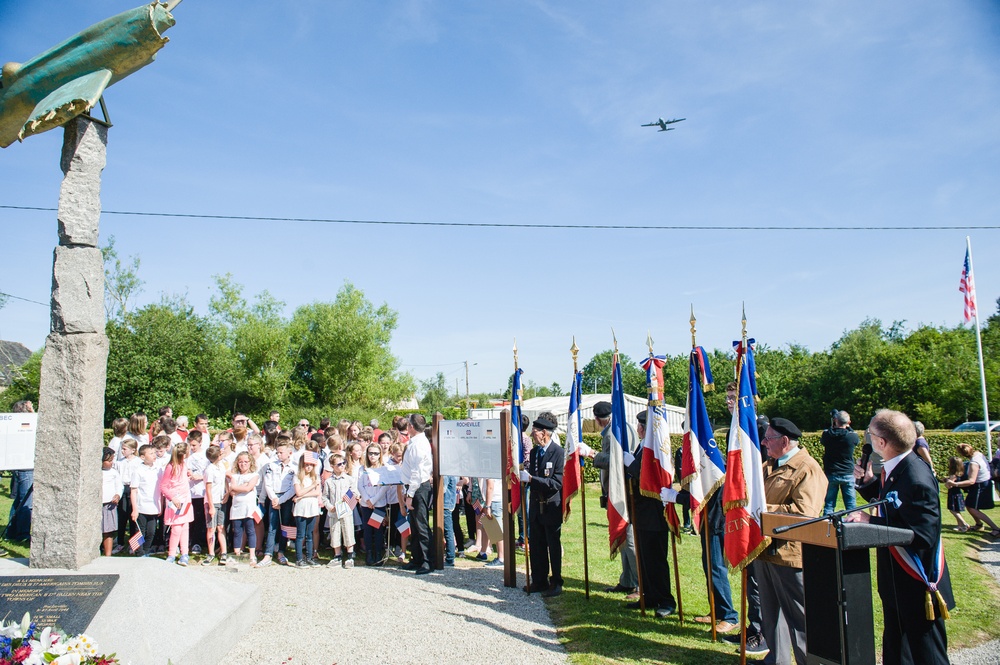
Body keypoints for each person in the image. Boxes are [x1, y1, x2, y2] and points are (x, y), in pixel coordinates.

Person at [849, 409, 954, 665]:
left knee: (927, 655)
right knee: (897, 652)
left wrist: (870, 520)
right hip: (896, 581)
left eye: (871, 435)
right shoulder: (898, 467)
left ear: (881, 442)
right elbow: (896, 507)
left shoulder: (915, 476)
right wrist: (869, 483)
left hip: (916, 584)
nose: (869, 439)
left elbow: (923, 535)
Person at [755, 418, 827, 665]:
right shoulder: (769, 465)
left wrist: (762, 510)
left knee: (799, 618)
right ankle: (777, 660)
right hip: (765, 549)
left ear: (785, 441)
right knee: (771, 613)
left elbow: (805, 514)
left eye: (768, 438)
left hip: (789, 553)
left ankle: (809, 661)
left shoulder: (807, 468)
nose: (763, 442)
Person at [625, 411, 676, 618]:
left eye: (640, 425)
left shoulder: (655, 447)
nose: (638, 428)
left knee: (656, 559)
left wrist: (631, 463)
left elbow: (648, 474)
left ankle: (666, 600)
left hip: (654, 513)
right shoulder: (642, 446)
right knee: (645, 558)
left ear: (644, 428)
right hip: (641, 512)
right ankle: (649, 595)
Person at [591, 400, 640, 596]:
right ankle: (627, 580)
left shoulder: (614, 432)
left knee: (628, 539)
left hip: (624, 491)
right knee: (622, 537)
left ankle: (638, 583)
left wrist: (593, 454)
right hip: (618, 490)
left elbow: (616, 459)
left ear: (598, 419)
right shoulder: (618, 428)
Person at [520, 414, 565, 597]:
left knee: (552, 546)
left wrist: (532, 479)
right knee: (537, 546)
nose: (533, 434)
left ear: (544, 433)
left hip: (550, 506)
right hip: (536, 506)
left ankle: (556, 582)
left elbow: (556, 482)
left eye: (536, 431)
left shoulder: (558, 453)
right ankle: (539, 579)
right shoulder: (534, 452)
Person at [400, 413, 433, 574]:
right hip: (413, 486)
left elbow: (417, 473)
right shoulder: (415, 442)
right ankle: (417, 558)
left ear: (411, 427)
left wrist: (410, 495)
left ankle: (428, 561)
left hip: (418, 487)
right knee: (414, 525)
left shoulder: (418, 444)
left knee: (421, 525)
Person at [947, 443, 999, 536]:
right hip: (984, 483)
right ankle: (979, 525)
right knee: (969, 505)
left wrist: (955, 484)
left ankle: (996, 528)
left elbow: (971, 481)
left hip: (981, 486)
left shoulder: (973, 463)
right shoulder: (978, 454)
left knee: (973, 508)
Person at [160, 441, 194, 566]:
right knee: (176, 528)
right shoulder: (170, 467)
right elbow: (163, 486)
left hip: (185, 499)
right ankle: (172, 553)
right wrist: (172, 498)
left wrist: (188, 475)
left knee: (185, 527)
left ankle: (185, 553)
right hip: (176, 501)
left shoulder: (184, 464)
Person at [820, 410, 859, 516]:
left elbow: (825, 436)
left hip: (831, 473)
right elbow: (854, 437)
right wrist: (847, 425)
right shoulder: (851, 437)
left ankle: (826, 525)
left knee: (829, 505)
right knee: (851, 506)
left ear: (835, 421)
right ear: (848, 422)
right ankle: (853, 527)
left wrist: (833, 423)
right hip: (847, 473)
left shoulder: (827, 435)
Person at [322, 452, 357, 568]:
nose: (342, 466)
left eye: (344, 463)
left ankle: (350, 556)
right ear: (332, 466)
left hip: (346, 511)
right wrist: (329, 506)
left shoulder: (349, 479)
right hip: (334, 511)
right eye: (339, 464)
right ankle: (337, 556)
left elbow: (355, 493)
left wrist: (350, 497)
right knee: (335, 532)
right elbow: (325, 496)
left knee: (348, 531)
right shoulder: (329, 481)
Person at [359, 443, 389, 566]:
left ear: (380, 455)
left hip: (378, 504)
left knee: (377, 529)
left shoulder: (383, 468)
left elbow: (385, 487)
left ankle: (378, 553)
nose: (373, 456)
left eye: (375, 453)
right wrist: (367, 499)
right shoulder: (362, 468)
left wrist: (374, 500)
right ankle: (369, 553)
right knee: (367, 529)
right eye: (370, 453)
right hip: (366, 504)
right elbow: (359, 485)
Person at [228, 451, 260, 566]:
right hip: (237, 507)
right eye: (240, 462)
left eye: (246, 462)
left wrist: (238, 488)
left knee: (250, 530)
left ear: (250, 462)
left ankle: (252, 555)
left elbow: (249, 488)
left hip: (249, 507)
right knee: (237, 531)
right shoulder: (235, 476)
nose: (243, 464)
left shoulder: (254, 475)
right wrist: (243, 486)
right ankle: (237, 553)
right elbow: (232, 489)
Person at [130, 443, 161, 557]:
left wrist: (160, 505)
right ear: (142, 457)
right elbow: (134, 490)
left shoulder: (158, 469)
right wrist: (135, 509)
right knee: (139, 532)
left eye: (154, 453)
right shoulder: (138, 470)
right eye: (151, 453)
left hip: (153, 506)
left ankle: (146, 551)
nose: (154, 455)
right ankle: (138, 552)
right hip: (141, 506)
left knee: (151, 532)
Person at [292, 451, 322, 567]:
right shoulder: (298, 477)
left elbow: (317, 492)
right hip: (301, 508)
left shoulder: (316, 477)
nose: (309, 467)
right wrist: (311, 487)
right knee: (300, 534)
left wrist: (303, 495)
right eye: (306, 464)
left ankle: (310, 557)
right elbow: (298, 491)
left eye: (311, 464)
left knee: (309, 534)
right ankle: (299, 558)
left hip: (312, 507)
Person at [202, 445, 229, 566]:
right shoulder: (210, 470)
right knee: (211, 528)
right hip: (212, 502)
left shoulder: (221, 466)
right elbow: (208, 489)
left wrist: (227, 492)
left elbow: (225, 480)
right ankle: (211, 552)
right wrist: (211, 506)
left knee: (221, 527)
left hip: (221, 500)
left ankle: (224, 552)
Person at [186, 430, 209, 554]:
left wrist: (199, 477)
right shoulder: (188, 456)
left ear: (200, 443)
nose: (192, 447)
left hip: (201, 492)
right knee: (191, 519)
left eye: (194, 445)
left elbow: (208, 473)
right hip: (190, 492)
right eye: (190, 445)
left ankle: (197, 542)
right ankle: (190, 540)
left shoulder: (205, 456)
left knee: (200, 518)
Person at [101, 447, 122, 557]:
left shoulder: (113, 472)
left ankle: (108, 555)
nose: (112, 463)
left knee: (108, 531)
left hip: (109, 504)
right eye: (109, 461)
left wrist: (118, 494)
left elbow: (119, 485)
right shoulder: (97, 473)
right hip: (98, 504)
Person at [943, 456, 970, 532]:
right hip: (958, 494)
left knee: (953, 510)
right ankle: (960, 526)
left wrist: (946, 481)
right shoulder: (959, 473)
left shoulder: (953, 475)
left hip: (953, 494)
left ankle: (964, 524)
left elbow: (948, 486)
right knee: (957, 510)